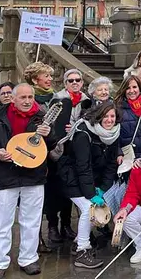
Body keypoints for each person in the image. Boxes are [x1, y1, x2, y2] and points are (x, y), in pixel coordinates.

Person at [0, 83, 51, 278]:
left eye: (31, 97)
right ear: (13, 99)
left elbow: (53, 145)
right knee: (2, 221)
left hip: (34, 175)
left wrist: (50, 135)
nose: (28, 101)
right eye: (23, 98)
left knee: (31, 220)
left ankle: (28, 259)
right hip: (4, 175)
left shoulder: (42, 118)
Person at [57, 102, 121, 269]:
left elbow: (111, 165)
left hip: (92, 179)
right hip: (71, 177)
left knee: (95, 207)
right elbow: (82, 166)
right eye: (105, 116)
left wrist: (103, 188)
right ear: (98, 117)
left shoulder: (113, 134)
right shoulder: (83, 134)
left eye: (112, 116)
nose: (109, 120)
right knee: (89, 208)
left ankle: (79, 240)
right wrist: (91, 193)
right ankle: (82, 251)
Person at [47, 70, 86, 246]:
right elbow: (50, 122)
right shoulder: (58, 100)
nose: (75, 83)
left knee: (72, 189)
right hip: (59, 149)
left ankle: (66, 224)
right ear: (65, 83)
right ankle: (53, 225)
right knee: (56, 190)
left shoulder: (87, 100)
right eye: (71, 80)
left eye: (78, 80)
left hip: (76, 150)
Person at [115, 75, 141, 168]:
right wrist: (118, 152)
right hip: (127, 157)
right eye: (128, 88)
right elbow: (113, 135)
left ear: (140, 88)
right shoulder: (117, 108)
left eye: (134, 87)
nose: (131, 91)